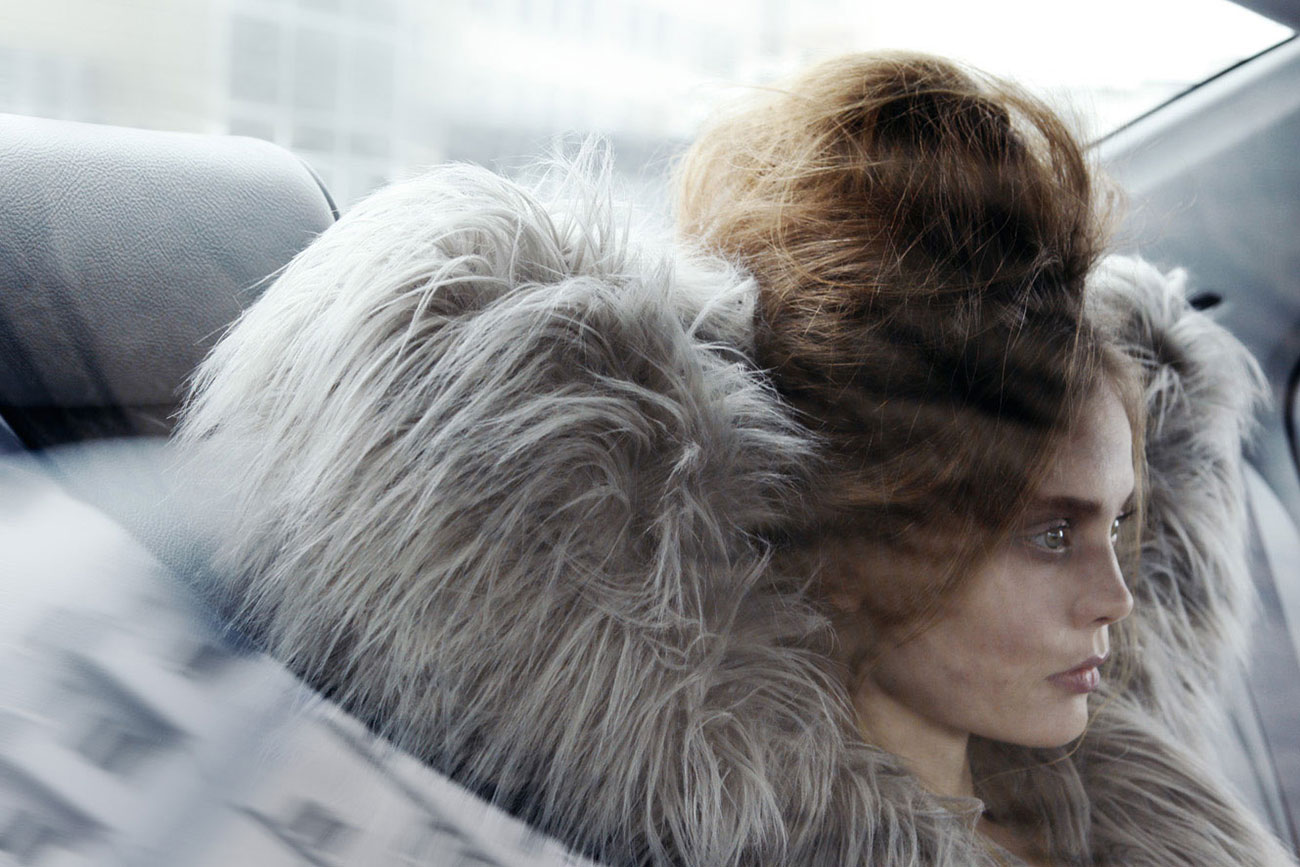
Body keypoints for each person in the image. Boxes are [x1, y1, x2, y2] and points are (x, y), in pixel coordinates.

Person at [177, 54, 1297, 866]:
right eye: (1050, 533)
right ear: (865, 531)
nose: (1114, 598)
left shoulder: (1126, 800)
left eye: (1117, 524)